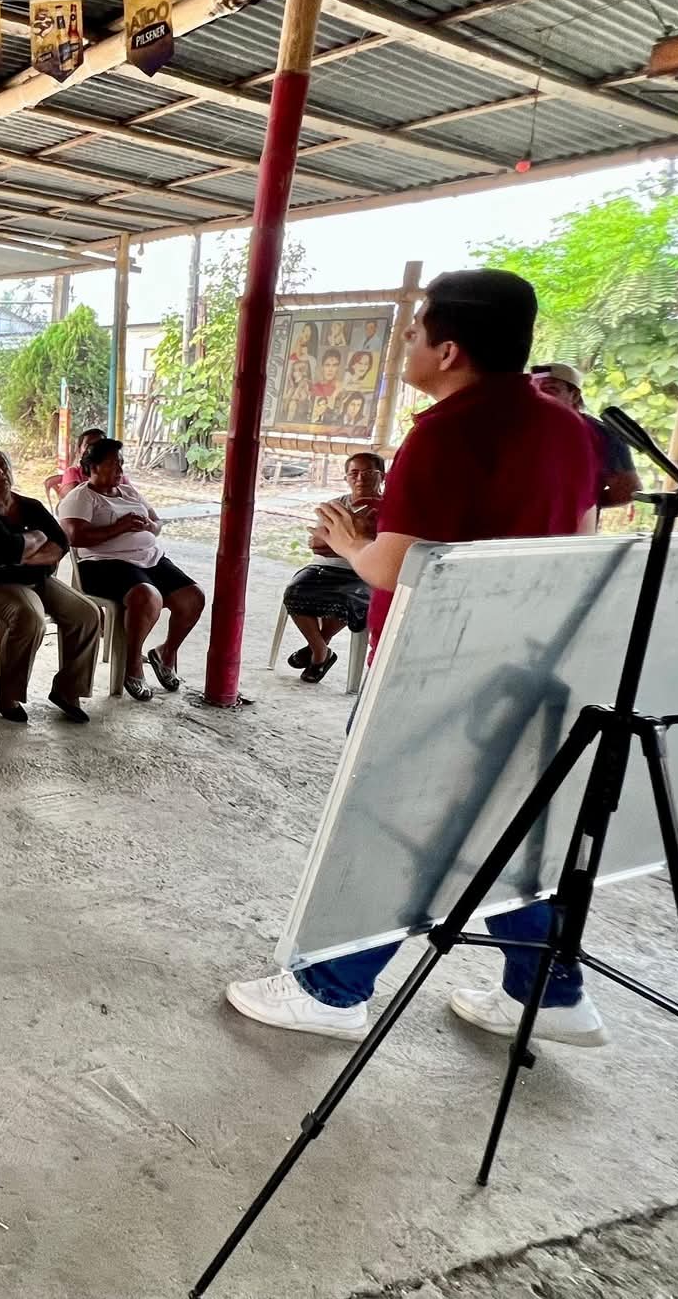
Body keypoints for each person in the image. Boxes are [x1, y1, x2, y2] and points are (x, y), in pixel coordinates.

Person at [227, 268, 607, 1048]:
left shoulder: (445, 431)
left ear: (450, 348)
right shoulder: (568, 426)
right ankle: (548, 989)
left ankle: (333, 989)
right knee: (511, 827)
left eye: (417, 325)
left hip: (441, 663)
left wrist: (347, 540)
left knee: (389, 822)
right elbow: (579, 537)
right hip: (538, 657)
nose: (407, 338)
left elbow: (399, 566)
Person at [0, 449, 100, 724]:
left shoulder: (29, 505)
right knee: (30, 617)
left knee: (87, 613)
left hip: (36, 579)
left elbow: (60, 543)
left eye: (3, 466)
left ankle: (68, 689)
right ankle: (8, 695)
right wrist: (34, 540)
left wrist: (25, 555)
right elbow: (8, 550)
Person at [57, 438, 204, 702]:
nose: (120, 469)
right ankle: (133, 663)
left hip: (150, 559)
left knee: (193, 597)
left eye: (121, 463)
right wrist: (120, 527)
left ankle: (166, 653)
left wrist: (150, 526)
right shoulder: (81, 497)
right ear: (93, 466)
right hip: (104, 564)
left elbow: (157, 522)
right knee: (147, 596)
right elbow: (75, 537)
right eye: (113, 464)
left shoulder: (128, 492)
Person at [280, 451, 383, 685]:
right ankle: (321, 650)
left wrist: (338, 543)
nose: (360, 479)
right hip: (324, 567)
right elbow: (317, 546)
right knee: (294, 592)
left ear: (382, 476)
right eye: (354, 473)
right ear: (346, 477)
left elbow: (383, 550)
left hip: (363, 572)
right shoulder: (335, 506)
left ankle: (317, 652)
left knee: (351, 600)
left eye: (368, 473)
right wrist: (359, 545)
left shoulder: (389, 509)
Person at [532, 362, 640, 510]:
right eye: (534, 390)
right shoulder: (520, 426)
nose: (539, 397)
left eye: (550, 389)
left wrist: (579, 506)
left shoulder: (602, 434)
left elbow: (627, 489)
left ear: (574, 395)